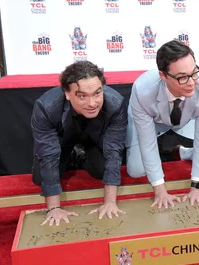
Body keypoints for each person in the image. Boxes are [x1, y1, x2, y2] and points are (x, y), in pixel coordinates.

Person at [126, 40, 199, 209]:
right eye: (182, 77)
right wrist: (160, 191)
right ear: (163, 76)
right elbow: (147, 142)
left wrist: (196, 188)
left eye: (194, 72)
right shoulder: (142, 90)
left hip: (188, 117)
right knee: (136, 170)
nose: (191, 82)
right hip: (153, 120)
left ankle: (184, 153)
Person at [31, 61, 127, 226]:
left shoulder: (116, 104)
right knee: (40, 178)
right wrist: (53, 209)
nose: (92, 103)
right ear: (67, 93)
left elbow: (113, 150)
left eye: (97, 93)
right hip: (61, 141)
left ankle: (79, 157)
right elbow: (48, 155)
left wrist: (110, 202)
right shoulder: (46, 107)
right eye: (82, 96)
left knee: (101, 170)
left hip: (93, 140)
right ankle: (71, 154)